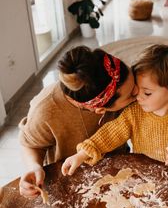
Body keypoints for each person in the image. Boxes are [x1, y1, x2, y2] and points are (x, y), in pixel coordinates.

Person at [61, 44, 168, 176]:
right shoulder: (134, 112)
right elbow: (111, 133)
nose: (137, 96)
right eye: (137, 89)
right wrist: (82, 154)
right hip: (144, 177)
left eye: (147, 93)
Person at [19, 46, 137, 199]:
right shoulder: (45, 110)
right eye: (130, 95)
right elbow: (30, 144)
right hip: (70, 179)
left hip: (117, 170)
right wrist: (34, 166)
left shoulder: (113, 83)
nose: (137, 93)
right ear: (101, 110)